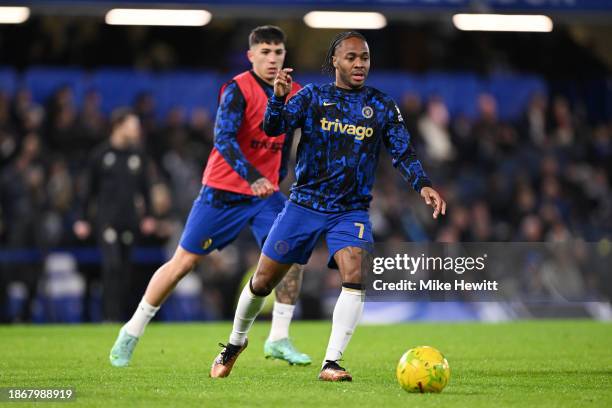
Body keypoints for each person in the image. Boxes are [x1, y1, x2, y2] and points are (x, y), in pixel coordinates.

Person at [210, 31, 446, 382]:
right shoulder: (312, 97)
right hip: (303, 204)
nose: (359, 64)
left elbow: (403, 151)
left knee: (355, 272)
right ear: (334, 61)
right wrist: (277, 99)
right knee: (261, 283)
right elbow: (273, 128)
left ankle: (331, 362)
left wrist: (423, 183)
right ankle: (234, 343)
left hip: (350, 210)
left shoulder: (381, 105)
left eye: (364, 57)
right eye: (351, 57)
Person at [109, 25, 311, 367]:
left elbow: (294, 140)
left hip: (265, 194)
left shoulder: (296, 93)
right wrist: (254, 176)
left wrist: (278, 179)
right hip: (223, 191)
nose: (273, 58)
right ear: (251, 56)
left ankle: (278, 337)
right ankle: (132, 330)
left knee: (289, 254)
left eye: (278, 52)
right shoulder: (238, 89)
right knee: (183, 264)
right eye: (265, 52)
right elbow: (223, 139)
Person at [74, 108, 156, 322]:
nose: (136, 130)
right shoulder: (100, 155)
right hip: (106, 221)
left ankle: (122, 316)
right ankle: (109, 316)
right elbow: (88, 189)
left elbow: (145, 189)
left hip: (130, 220)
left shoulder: (137, 156)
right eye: (132, 125)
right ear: (118, 126)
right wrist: (82, 218)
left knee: (126, 271)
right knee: (111, 267)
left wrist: (149, 215)